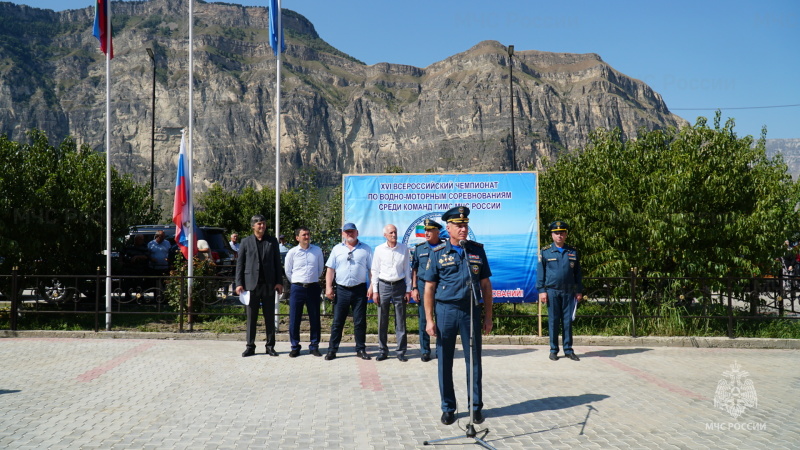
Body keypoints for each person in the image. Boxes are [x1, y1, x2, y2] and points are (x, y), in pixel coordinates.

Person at [424, 206, 493, 426]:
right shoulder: (438, 253)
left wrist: (488, 316)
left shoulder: (476, 251)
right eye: (458, 225)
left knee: (474, 361)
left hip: (470, 310)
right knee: (444, 361)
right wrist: (429, 319)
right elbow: (429, 288)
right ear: (448, 228)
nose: (463, 229)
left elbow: (485, 284)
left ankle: (475, 407)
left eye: (465, 225)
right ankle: (448, 408)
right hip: (446, 311)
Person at [235, 215, 285, 357]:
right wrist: (239, 283)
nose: (261, 226)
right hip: (251, 285)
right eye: (258, 224)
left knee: (269, 316)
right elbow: (240, 264)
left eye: (263, 224)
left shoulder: (272, 241)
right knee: (251, 317)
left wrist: (279, 282)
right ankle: (250, 346)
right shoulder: (245, 242)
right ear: (253, 226)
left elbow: (277, 263)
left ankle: (270, 346)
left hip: (269, 284)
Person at [324, 222, 373, 361]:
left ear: (357, 233)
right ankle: (332, 350)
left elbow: (372, 270)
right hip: (342, 290)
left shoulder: (366, 249)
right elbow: (330, 269)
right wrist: (328, 287)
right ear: (343, 234)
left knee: (360, 322)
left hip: (359, 290)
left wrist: (372, 287)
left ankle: (361, 349)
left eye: (352, 231)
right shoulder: (337, 249)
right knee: (337, 322)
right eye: (347, 232)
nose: (349, 234)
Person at [536, 220, 584, 362]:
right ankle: (554, 350)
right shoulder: (545, 252)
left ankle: (568, 350)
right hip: (552, 291)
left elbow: (578, 273)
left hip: (569, 292)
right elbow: (540, 273)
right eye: (556, 233)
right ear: (552, 235)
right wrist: (542, 291)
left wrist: (579, 290)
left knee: (567, 322)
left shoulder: (572, 252)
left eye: (562, 233)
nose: (559, 236)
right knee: (553, 321)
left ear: (566, 235)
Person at [371, 224, 412, 362]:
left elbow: (407, 270)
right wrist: (375, 291)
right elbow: (375, 271)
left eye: (395, 232)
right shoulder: (378, 250)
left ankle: (401, 351)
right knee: (382, 320)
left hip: (399, 285)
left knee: (400, 320)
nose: (394, 235)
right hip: (383, 285)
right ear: (385, 235)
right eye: (391, 233)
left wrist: (408, 290)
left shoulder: (404, 249)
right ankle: (383, 351)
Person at [284, 227, 325, 357]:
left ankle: (314, 346)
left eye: (308, 234)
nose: (306, 237)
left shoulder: (317, 251)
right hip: (297, 288)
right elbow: (288, 271)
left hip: (313, 287)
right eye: (303, 235)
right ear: (297, 238)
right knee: (295, 318)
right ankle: (295, 346)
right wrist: (297, 282)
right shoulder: (292, 252)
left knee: (315, 318)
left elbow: (320, 269)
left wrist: (312, 280)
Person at [411, 218, 443, 362]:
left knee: (442, 318)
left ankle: (441, 349)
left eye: (430, 230)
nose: (427, 233)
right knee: (424, 319)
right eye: (426, 230)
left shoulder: (445, 247)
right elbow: (414, 269)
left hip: (441, 286)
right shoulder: (419, 248)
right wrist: (414, 288)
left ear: (437, 232)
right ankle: (425, 350)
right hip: (423, 286)